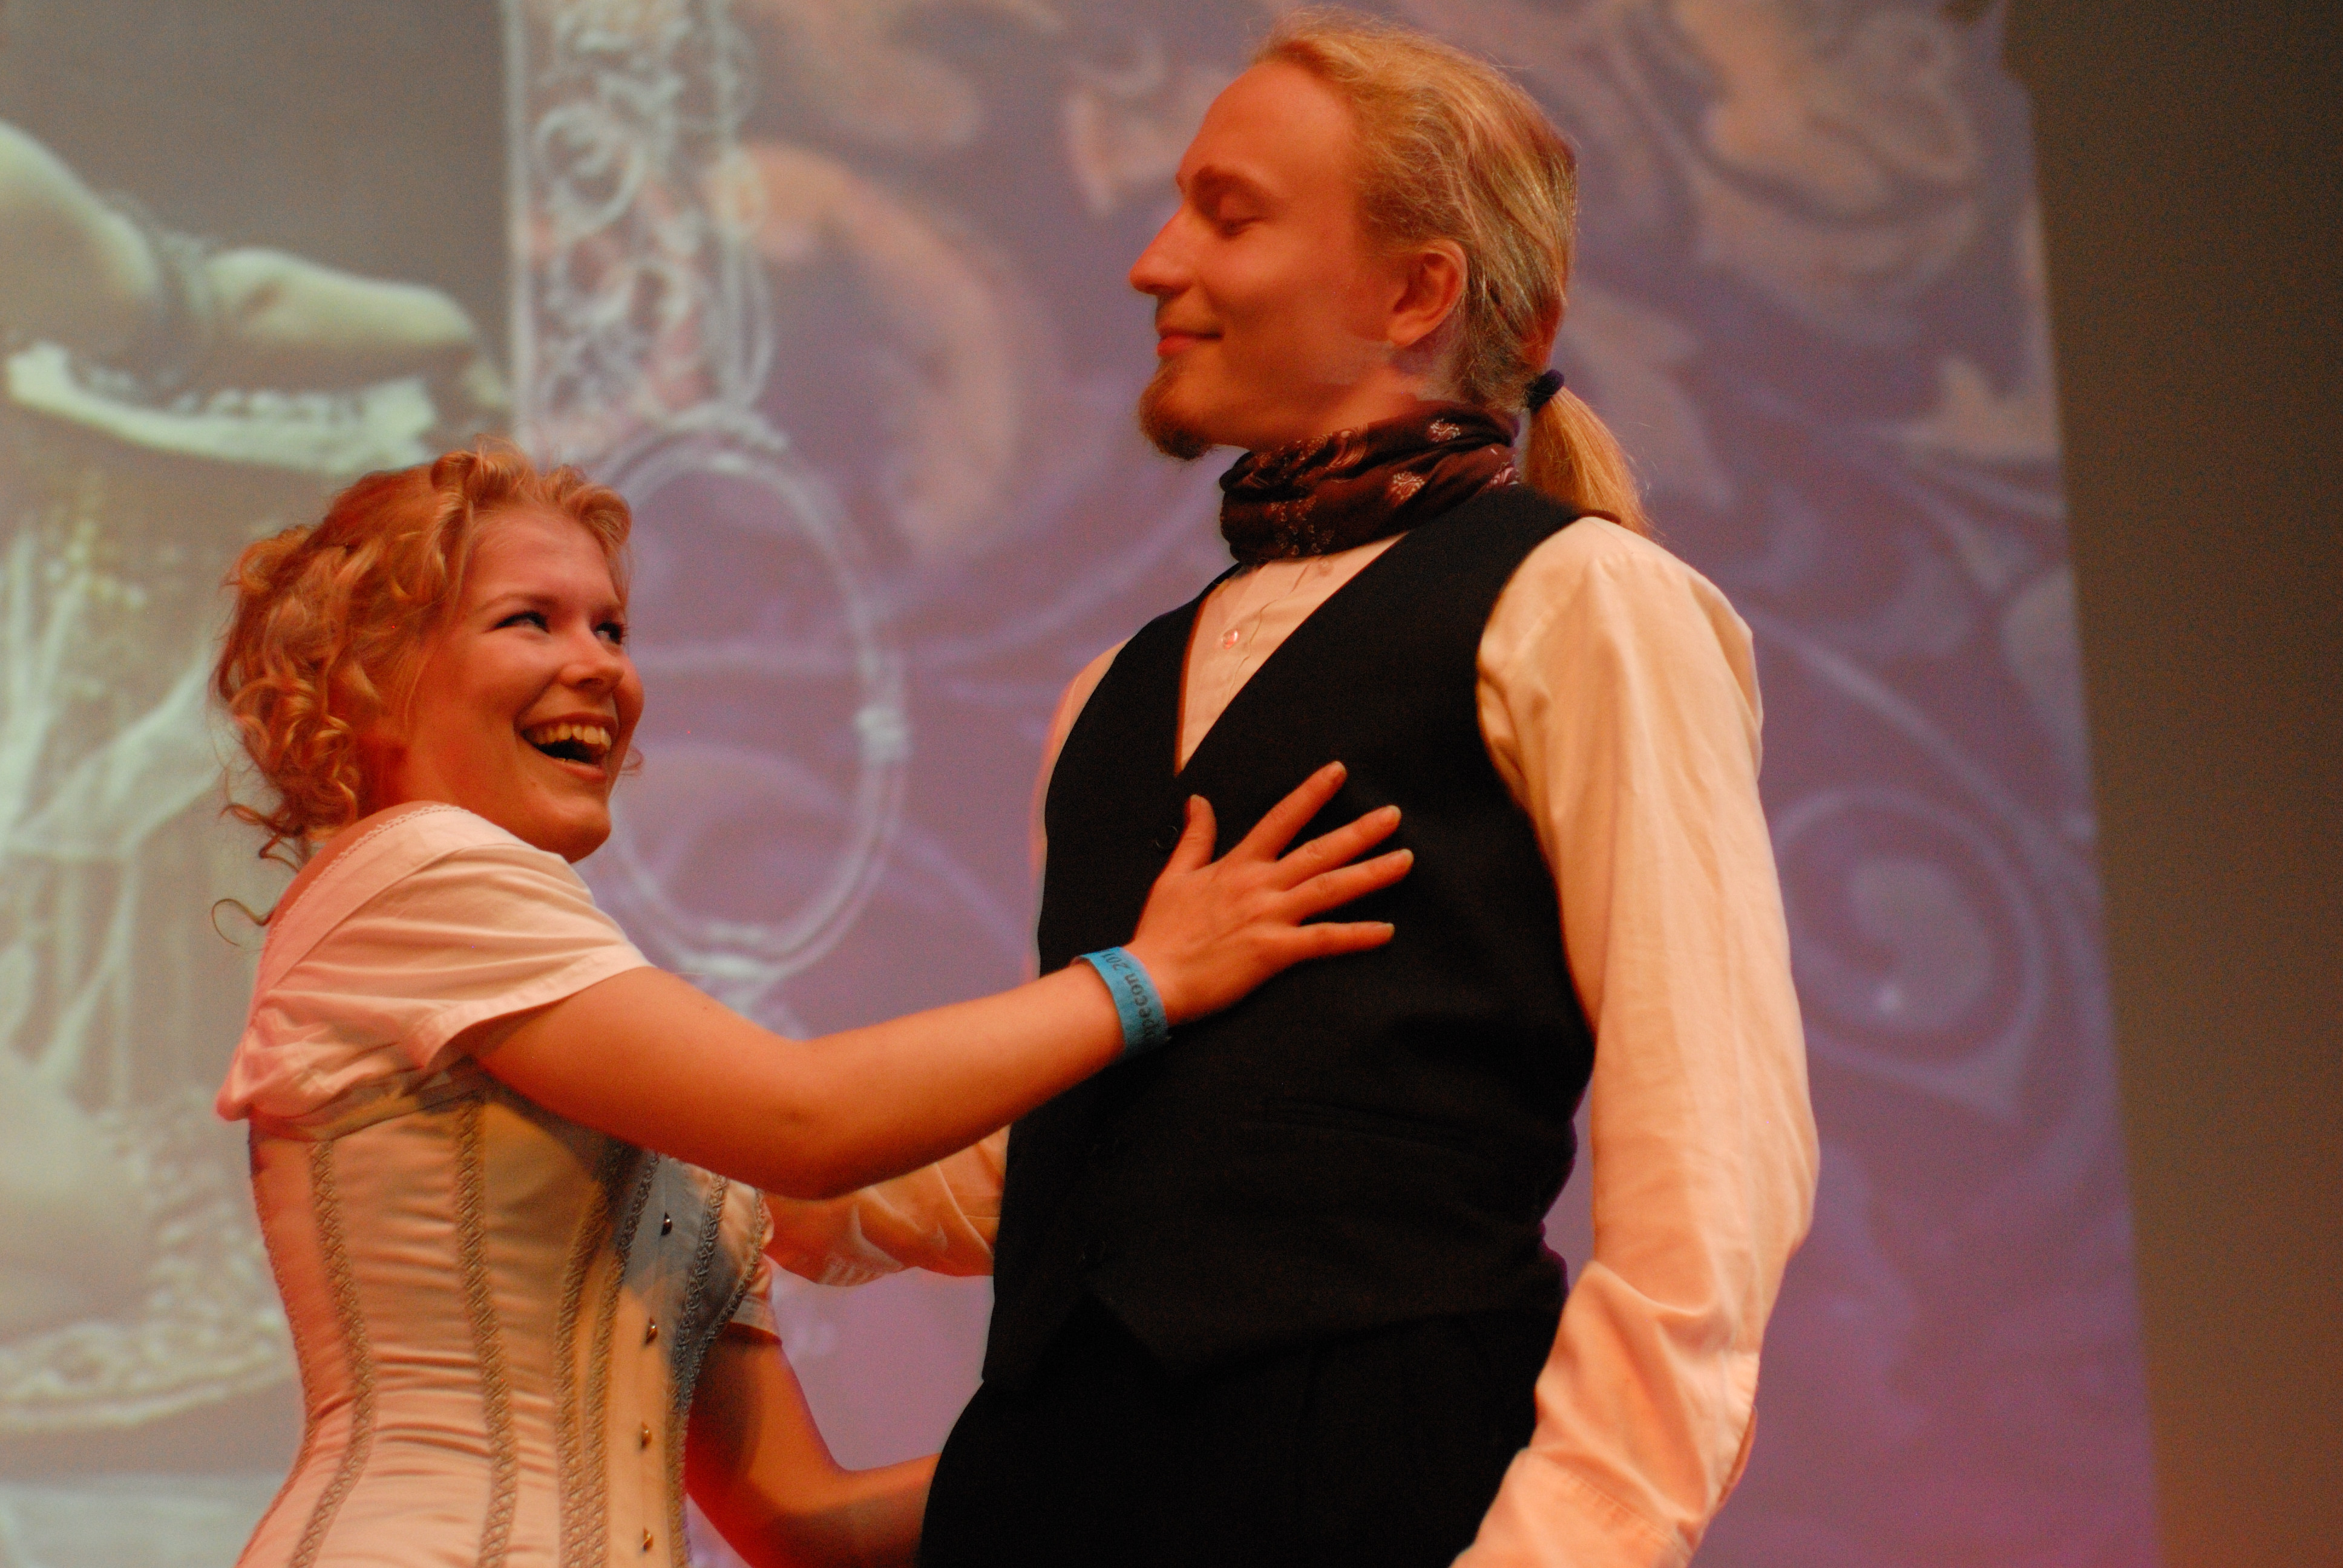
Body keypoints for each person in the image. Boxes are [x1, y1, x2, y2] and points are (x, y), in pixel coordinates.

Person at [765, 12, 1820, 1566]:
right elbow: (1140, 1157)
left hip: (1376, 1485)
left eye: (1229, 213)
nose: (1153, 262)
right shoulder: (1114, 689)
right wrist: (749, 1180)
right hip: (1047, 1490)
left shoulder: (1583, 601)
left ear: (1413, 292)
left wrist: (1572, 1539)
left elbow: (1709, 1141)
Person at [208, 439, 1412, 1567]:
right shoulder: (416, 869)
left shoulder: (628, 1103)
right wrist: (1149, 976)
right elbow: (808, 1121)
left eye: (612, 626)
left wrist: (1137, 1463)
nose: (601, 665)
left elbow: (800, 1523)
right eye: (532, 620)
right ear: (370, 681)